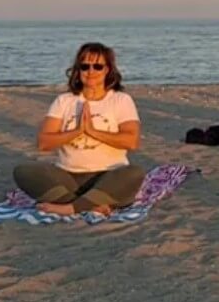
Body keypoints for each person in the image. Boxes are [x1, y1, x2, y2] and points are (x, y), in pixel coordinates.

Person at [13, 42, 145, 216]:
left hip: (109, 176)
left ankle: (71, 208)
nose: (91, 72)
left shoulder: (121, 100)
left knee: (134, 173)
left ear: (107, 70)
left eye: (97, 66)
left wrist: (93, 132)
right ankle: (92, 204)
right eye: (85, 66)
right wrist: (76, 132)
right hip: (68, 175)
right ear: (78, 70)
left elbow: (132, 141)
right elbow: (44, 143)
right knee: (23, 172)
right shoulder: (65, 101)